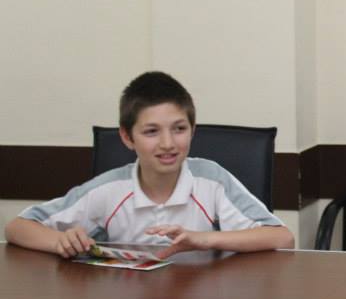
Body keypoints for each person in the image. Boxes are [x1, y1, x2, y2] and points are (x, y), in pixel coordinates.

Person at [4, 71, 295, 260]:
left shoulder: (212, 180)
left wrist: (204, 239)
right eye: (151, 131)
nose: (168, 143)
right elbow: (17, 227)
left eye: (179, 129)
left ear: (193, 130)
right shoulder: (109, 189)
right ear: (127, 137)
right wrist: (60, 241)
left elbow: (282, 237)